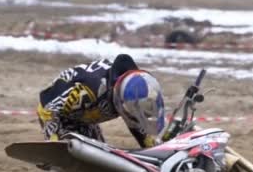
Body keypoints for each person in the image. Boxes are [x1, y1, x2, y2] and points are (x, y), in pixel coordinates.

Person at [37, 54, 165, 148]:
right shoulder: (89, 91)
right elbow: (48, 109)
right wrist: (52, 143)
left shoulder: (133, 90)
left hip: (86, 116)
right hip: (59, 113)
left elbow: (136, 124)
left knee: (101, 156)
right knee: (76, 157)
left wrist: (155, 149)